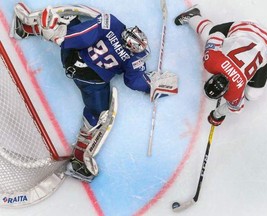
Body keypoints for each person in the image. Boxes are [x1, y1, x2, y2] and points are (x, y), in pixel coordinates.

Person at [11, 3, 178, 182]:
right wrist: (153, 86)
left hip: (72, 58)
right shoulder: (134, 58)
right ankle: (79, 160)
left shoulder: (111, 24)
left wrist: (62, 37)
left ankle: (26, 27)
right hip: (91, 82)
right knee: (99, 116)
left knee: (69, 22)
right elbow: (134, 81)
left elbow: (84, 35)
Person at [174, 5, 267, 126]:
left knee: (252, 95)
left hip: (264, 41)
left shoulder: (235, 93)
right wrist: (216, 115)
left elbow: (217, 35)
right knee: (251, 95)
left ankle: (192, 16)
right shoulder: (211, 63)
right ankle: (193, 17)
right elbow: (216, 36)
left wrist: (217, 115)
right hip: (259, 36)